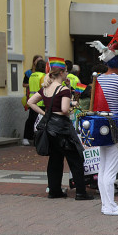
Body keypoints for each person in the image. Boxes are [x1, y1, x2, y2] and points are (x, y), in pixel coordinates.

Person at [26, 57, 93, 201]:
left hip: (50, 127)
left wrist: (45, 113)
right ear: (61, 72)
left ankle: (54, 190)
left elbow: (30, 101)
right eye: (66, 72)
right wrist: (71, 106)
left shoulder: (46, 88)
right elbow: (64, 109)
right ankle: (81, 192)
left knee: (55, 160)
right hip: (63, 127)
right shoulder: (63, 90)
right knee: (75, 158)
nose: (67, 74)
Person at [94, 51, 118, 216]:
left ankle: (106, 204)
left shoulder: (99, 78)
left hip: (101, 125)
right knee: (111, 168)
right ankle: (109, 206)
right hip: (116, 125)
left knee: (103, 167)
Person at [22, 57, 46, 145]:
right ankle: (37, 140)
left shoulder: (32, 75)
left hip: (31, 101)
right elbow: (44, 89)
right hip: (41, 102)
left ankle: (26, 137)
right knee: (40, 122)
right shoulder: (43, 76)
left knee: (31, 120)